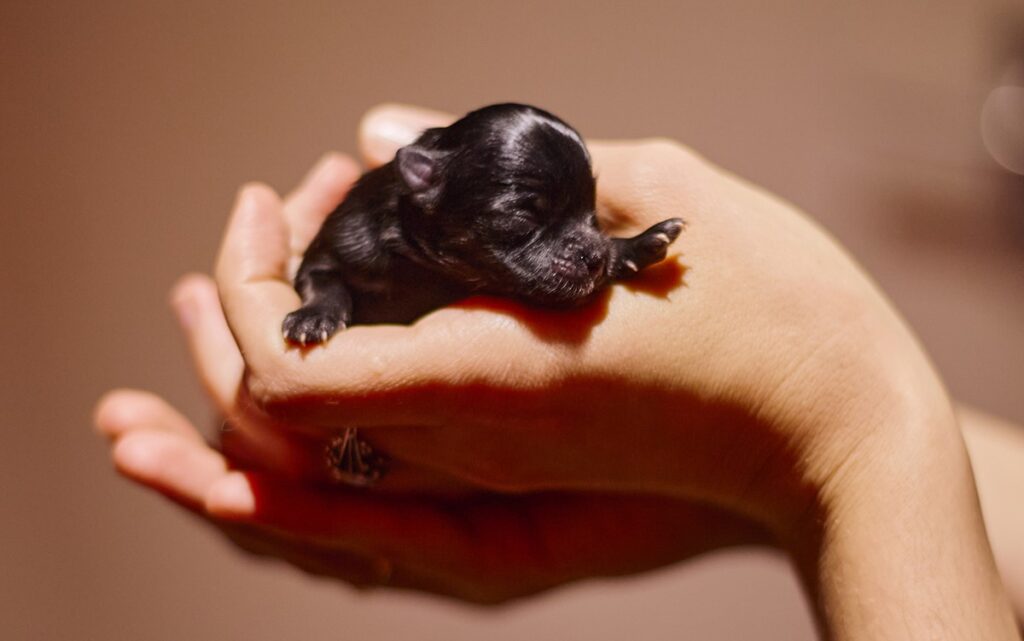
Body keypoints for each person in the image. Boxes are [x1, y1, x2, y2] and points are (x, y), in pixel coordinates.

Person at [94, 104, 1023, 639]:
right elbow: (326, 271)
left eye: (586, 220)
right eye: (533, 220)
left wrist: (833, 434)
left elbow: (575, 269)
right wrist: (324, 315)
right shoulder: (367, 227)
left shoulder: (536, 231)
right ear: (424, 183)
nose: (580, 252)